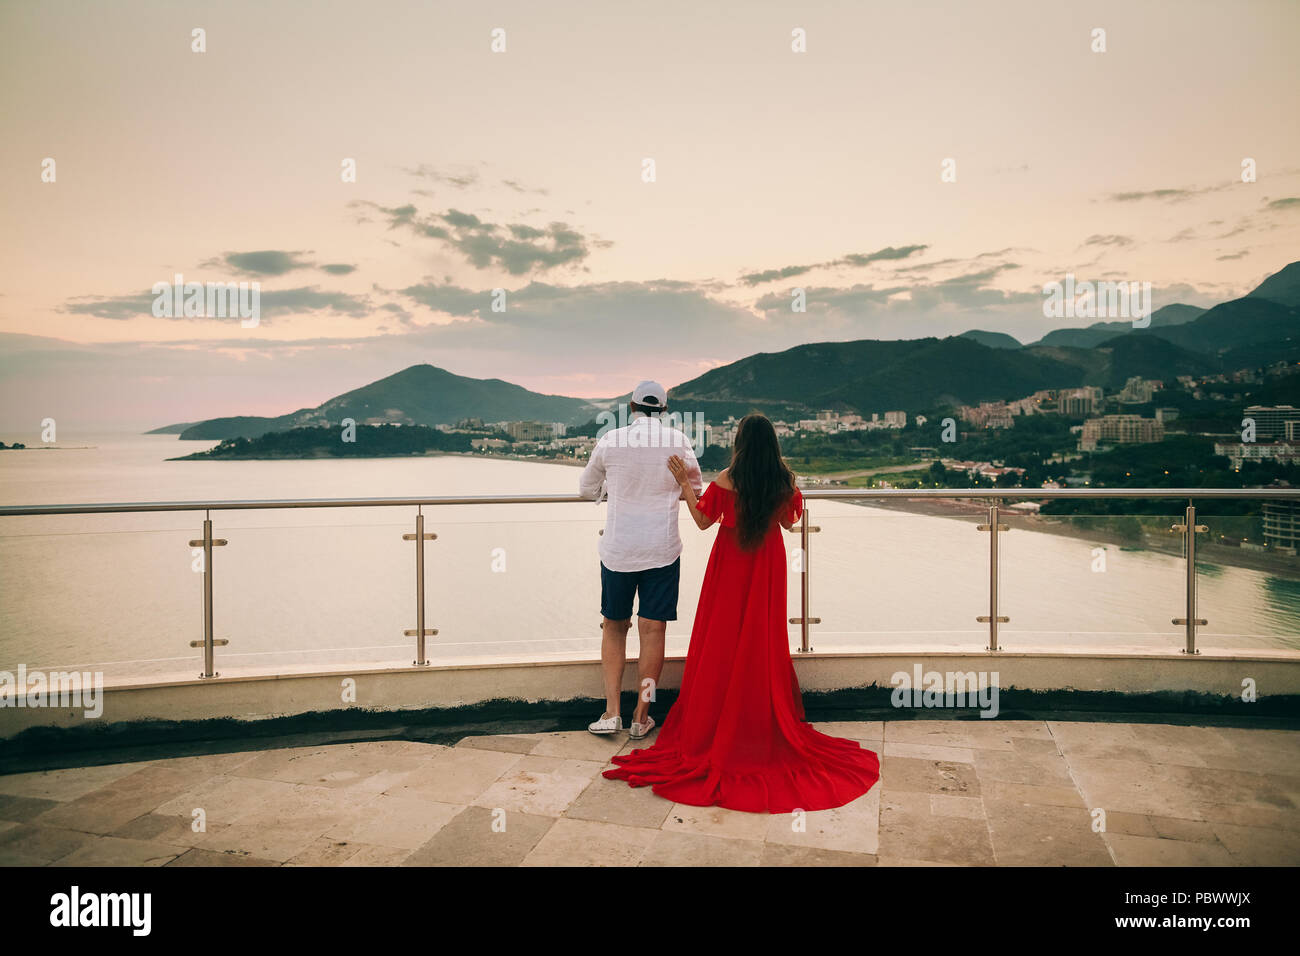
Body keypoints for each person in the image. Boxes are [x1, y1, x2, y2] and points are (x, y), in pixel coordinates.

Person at [603, 413, 880, 813]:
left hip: (730, 566)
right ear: (773, 444)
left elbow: (701, 522)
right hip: (767, 566)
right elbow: (789, 523)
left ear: (740, 442)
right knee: (761, 639)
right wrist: (788, 490)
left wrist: (684, 484)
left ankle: (716, 715)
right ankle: (756, 715)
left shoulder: (725, 480)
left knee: (723, 638)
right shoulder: (783, 481)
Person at [578, 380, 702, 739]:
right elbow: (694, 490)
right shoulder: (677, 442)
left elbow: (586, 489)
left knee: (614, 628)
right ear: (663, 411)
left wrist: (611, 490)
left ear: (631, 407)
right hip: (661, 551)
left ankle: (611, 711)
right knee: (653, 632)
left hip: (618, 551)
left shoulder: (611, 440)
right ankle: (640, 714)